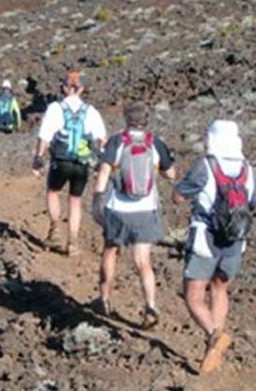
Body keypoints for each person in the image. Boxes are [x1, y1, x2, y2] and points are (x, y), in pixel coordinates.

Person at [172, 120, 256, 373]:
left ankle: (213, 335)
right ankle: (213, 348)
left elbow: (177, 197)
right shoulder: (248, 171)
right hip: (234, 243)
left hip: (204, 240)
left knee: (193, 296)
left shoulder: (205, 166)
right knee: (220, 290)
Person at [91, 100, 176, 329]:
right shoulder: (155, 143)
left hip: (118, 208)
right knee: (143, 261)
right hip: (145, 210)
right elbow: (171, 174)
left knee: (110, 252)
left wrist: (97, 199)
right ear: (147, 119)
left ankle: (104, 299)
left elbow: (104, 171)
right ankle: (150, 306)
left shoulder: (117, 142)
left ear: (126, 118)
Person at [32, 71, 107, 256]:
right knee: (75, 200)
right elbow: (102, 140)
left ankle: (54, 230)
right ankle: (73, 242)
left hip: (61, 160)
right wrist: (101, 163)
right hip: (82, 163)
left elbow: (44, 136)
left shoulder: (55, 108)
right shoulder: (91, 111)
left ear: (65, 88)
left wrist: (38, 157)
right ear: (81, 89)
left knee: (53, 192)